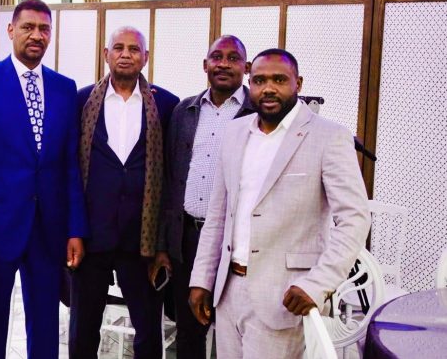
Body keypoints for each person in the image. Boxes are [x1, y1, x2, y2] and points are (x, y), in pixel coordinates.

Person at [189, 49, 371, 358]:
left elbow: (355, 219)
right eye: (259, 80)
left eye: (279, 80)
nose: (269, 88)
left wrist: (318, 284)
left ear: (298, 83)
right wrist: (202, 279)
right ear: (250, 83)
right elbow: (218, 215)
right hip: (228, 291)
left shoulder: (329, 136)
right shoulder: (235, 131)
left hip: (285, 297)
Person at [0, 0, 87, 359]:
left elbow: (70, 164)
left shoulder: (64, 88)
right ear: (10, 30)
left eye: (44, 29)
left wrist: (75, 228)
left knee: (45, 322)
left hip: (48, 226)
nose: (36, 35)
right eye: (28, 27)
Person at [69, 26, 178, 358]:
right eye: (118, 47)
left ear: (146, 57)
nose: (126, 54)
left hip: (142, 241)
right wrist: (73, 230)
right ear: (106, 54)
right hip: (92, 237)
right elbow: (69, 170)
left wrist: (162, 244)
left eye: (134, 49)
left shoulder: (167, 105)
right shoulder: (81, 101)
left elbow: (170, 179)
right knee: (83, 328)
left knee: (148, 332)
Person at [152, 35, 255, 359]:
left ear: (246, 67)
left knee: (235, 331)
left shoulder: (258, 112)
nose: (224, 64)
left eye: (233, 58)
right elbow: (169, 181)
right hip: (188, 238)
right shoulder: (184, 111)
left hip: (237, 242)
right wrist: (163, 245)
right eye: (217, 57)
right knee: (189, 331)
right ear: (205, 65)